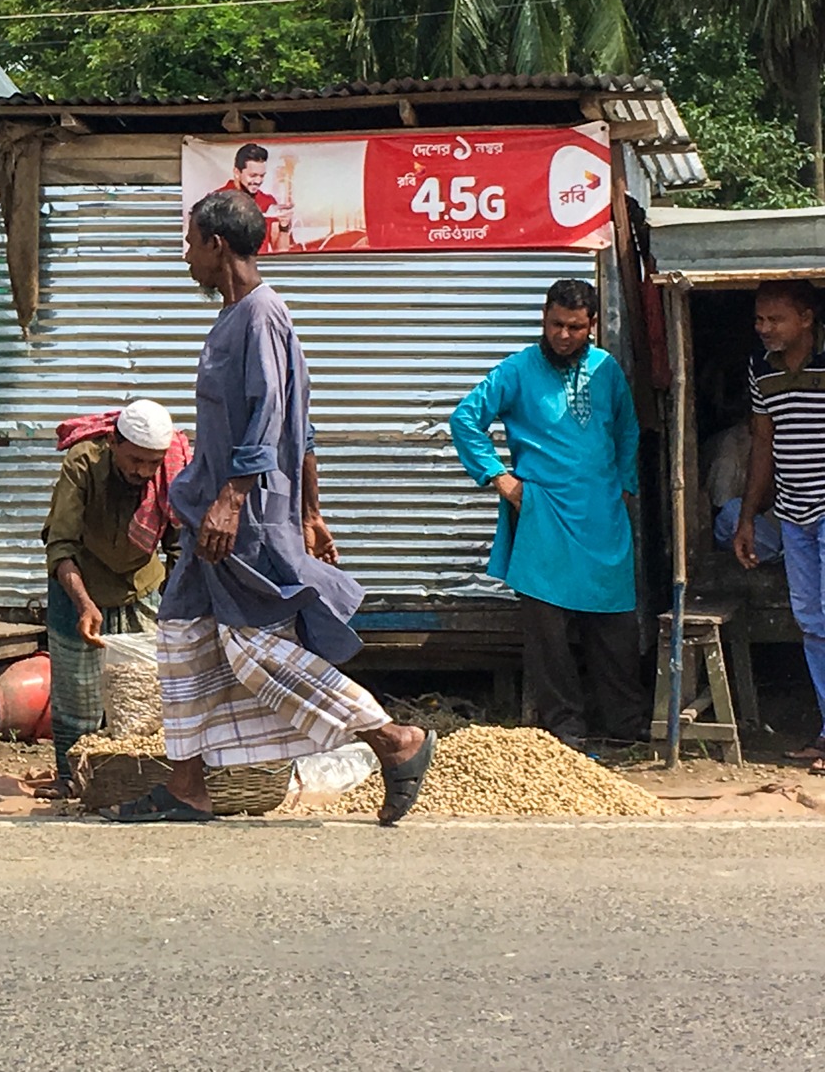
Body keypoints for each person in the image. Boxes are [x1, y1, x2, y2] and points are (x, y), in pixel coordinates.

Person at [104, 190, 432, 823]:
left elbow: (276, 415)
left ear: (217, 245)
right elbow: (302, 427)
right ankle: (188, 784)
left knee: (256, 652)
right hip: (213, 516)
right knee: (183, 637)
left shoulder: (260, 316)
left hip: (241, 521)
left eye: (191, 243)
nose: (187, 257)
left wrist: (234, 497)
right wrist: (311, 509)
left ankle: (396, 740)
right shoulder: (238, 317)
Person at [450, 279, 643, 751]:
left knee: (614, 625)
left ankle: (625, 726)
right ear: (544, 317)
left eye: (576, 327)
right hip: (544, 516)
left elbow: (627, 431)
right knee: (548, 634)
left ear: (592, 326)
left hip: (602, 516)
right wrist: (501, 479)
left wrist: (625, 487)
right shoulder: (517, 370)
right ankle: (565, 730)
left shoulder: (607, 370)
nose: (564, 335)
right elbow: (464, 419)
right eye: (557, 324)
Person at [35, 399, 190, 797]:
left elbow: (179, 546)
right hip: (79, 584)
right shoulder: (83, 463)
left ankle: (145, 782)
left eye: (151, 464)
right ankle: (74, 782)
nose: (143, 472)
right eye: (135, 460)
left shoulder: (172, 469)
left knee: (144, 696)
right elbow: (61, 546)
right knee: (76, 696)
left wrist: (174, 603)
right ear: (114, 442)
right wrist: (84, 604)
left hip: (141, 586)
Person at [734, 280, 825, 770]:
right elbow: (762, 445)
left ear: (806, 319)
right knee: (812, 624)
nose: (764, 329)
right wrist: (747, 518)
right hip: (793, 515)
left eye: (775, 320)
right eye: (759, 320)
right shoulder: (759, 370)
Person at [707, 420, 780, 562]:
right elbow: (722, 505)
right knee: (733, 509)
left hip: (781, 533)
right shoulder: (731, 449)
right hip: (744, 529)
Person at [215, 143, 292, 253]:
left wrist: (283, 227)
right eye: (253, 175)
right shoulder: (217, 200)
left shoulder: (268, 202)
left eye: (262, 176)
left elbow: (281, 252)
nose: (258, 181)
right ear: (237, 172)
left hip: (258, 268)